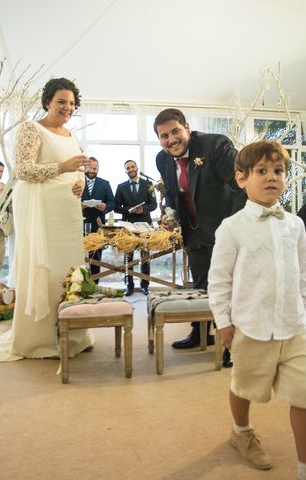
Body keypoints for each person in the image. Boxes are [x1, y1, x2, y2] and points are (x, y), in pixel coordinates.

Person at [208, 140, 306, 480]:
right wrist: (223, 322)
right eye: (261, 170)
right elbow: (219, 280)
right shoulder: (231, 227)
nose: (271, 177)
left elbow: (303, 273)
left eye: (278, 171)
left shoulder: (295, 225)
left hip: (294, 325)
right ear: (242, 178)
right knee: (244, 386)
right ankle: (241, 431)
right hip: (251, 325)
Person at [0, 77, 94, 361]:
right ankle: (40, 337)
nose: (67, 107)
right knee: (45, 268)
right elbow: (23, 169)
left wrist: (78, 180)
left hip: (67, 210)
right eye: (61, 102)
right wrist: (63, 167)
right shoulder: (31, 129)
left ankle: (74, 332)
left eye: (71, 103)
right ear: (47, 102)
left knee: (68, 269)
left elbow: (76, 167)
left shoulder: (72, 134)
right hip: (41, 210)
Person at [154, 108, 245, 366]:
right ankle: (202, 330)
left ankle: (233, 344)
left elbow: (242, 183)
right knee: (202, 285)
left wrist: (235, 227)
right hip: (193, 233)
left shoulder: (214, 145)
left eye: (175, 131)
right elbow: (172, 193)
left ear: (187, 128)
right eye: (164, 136)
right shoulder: (162, 159)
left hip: (224, 230)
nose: (171, 140)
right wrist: (170, 213)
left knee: (228, 288)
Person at [114, 159, 157, 296]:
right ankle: (129, 286)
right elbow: (116, 208)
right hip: (128, 226)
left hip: (145, 225)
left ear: (137, 168)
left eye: (132, 166)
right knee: (128, 257)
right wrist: (129, 210)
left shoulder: (148, 184)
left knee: (145, 256)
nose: (131, 169)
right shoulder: (121, 187)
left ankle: (145, 285)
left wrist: (142, 209)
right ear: (125, 171)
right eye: (128, 168)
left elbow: (154, 204)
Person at [81, 157, 115, 283]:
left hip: (98, 225)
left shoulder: (104, 184)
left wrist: (106, 206)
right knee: (78, 256)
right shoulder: (78, 182)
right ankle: (78, 284)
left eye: (94, 168)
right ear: (85, 168)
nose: (92, 170)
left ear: (98, 169)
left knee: (95, 256)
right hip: (79, 225)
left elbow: (112, 202)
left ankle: (94, 284)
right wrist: (79, 205)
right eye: (89, 168)